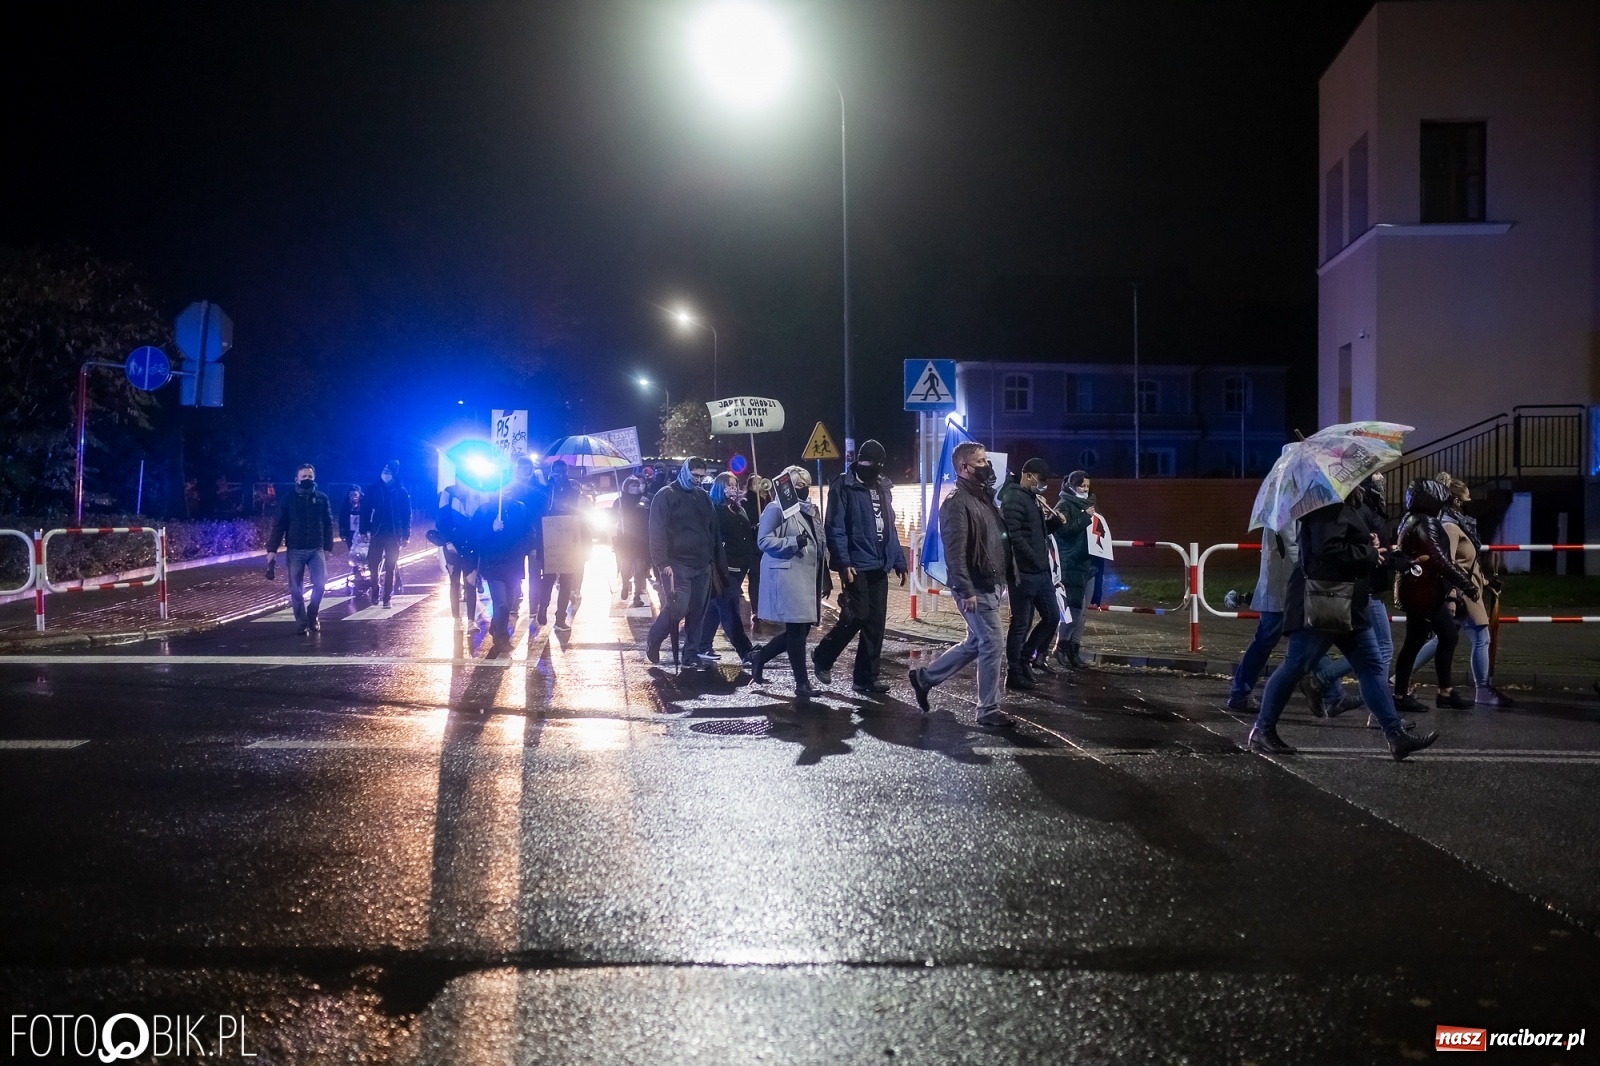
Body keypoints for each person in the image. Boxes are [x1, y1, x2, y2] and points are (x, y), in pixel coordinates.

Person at [1246, 487, 1440, 761]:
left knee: (1371, 665)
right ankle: (1262, 730)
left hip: (1344, 604)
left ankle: (1395, 735)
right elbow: (1328, 549)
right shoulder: (1327, 503)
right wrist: (1368, 552)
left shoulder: (1335, 503)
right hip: (1322, 603)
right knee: (1296, 665)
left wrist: (1371, 546)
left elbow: (1339, 544)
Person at [907, 442, 1015, 727]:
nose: (986, 466)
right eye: (980, 462)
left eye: (986, 460)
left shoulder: (983, 498)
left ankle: (925, 678)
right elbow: (954, 553)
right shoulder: (956, 503)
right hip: (975, 586)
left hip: (991, 583)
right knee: (992, 643)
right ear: (964, 468)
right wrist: (965, 590)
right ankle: (988, 709)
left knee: (976, 642)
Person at [814, 440, 907, 695]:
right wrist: (844, 562)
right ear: (859, 461)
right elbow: (835, 527)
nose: (872, 468)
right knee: (857, 615)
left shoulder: (883, 487)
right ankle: (823, 655)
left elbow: (889, 527)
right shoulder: (843, 486)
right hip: (856, 565)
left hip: (880, 563)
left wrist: (898, 560)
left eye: (876, 464)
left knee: (875, 623)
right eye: (868, 463)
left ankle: (866, 678)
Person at [1392, 477, 1479, 711]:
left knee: (1444, 637)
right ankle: (1402, 695)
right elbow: (1440, 559)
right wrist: (1466, 585)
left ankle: (1443, 692)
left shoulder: (1411, 519)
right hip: (1423, 592)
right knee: (1418, 642)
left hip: (1421, 590)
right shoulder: (1425, 522)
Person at [749, 465, 826, 696]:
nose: (805, 489)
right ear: (789, 486)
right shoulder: (776, 508)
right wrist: (792, 542)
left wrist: (825, 577)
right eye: (799, 485)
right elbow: (763, 541)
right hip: (788, 575)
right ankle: (802, 683)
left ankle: (761, 656)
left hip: (808, 576)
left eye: (807, 484)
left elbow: (819, 543)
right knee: (796, 630)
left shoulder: (810, 510)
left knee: (801, 630)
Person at [645, 457, 723, 665]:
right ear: (686, 472)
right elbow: (656, 531)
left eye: (701, 476)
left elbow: (712, 529)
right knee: (678, 608)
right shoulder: (666, 495)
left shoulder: (702, 496)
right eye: (695, 475)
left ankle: (690, 654)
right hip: (677, 564)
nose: (698, 480)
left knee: (698, 612)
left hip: (703, 564)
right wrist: (662, 563)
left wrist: (714, 559)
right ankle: (654, 638)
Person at [1000, 457, 1065, 690]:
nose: (1044, 483)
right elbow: (1014, 536)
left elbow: (1038, 532)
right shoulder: (1013, 498)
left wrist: (1055, 524)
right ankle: (1014, 672)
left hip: (1041, 572)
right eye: (1041, 478)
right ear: (1028, 476)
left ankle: (1026, 658)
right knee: (1021, 624)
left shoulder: (1032, 498)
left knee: (1052, 617)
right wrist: (1035, 559)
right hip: (1023, 574)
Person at [266, 463, 336, 636]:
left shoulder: (322, 498)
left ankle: (313, 613)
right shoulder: (288, 499)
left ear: (314, 478)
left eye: (310, 476)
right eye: (303, 476)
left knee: (320, 583)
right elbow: (279, 525)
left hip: (316, 549)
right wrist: (272, 549)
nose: (307, 479)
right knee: (295, 588)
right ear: (296, 479)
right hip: (295, 549)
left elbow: (328, 524)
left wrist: (328, 547)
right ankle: (301, 621)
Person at [698, 472, 757, 665]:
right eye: (729, 485)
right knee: (730, 609)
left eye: (735, 485)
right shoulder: (714, 510)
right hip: (724, 570)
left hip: (740, 568)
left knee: (715, 609)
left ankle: (702, 646)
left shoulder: (739, 509)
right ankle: (745, 651)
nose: (733, 488)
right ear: (719, 487)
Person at [471, 491, 532, 658]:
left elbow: (528, 532)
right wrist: (491, 529)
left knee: (510, 603)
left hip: (514, 565)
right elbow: (474, 536)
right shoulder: (485, 510)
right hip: (493, 565)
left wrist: (526, 549)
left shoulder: (520, 509)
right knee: (501, 604)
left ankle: (496, 626)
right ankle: (501, 637)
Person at [1051, 470, 1097, 669]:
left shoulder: (1090, 504)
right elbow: (1063, 531)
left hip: (1088, 563)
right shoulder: (1064, 505)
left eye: (1087, 486)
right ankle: (1060, 646)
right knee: (1072, 610)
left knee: (1082, 611)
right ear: (1071, 486)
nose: (1085, 489)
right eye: (1081, 486)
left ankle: (1073, 650)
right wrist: (1085, 517)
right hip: (1071, 564)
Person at [536, 458, 586, 631]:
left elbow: (580, 515)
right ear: (552, 472)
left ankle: (560, 618)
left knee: (567, 580)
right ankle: (543, 606)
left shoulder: (573, 491)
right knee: (548, 578)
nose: (561, 475)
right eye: (557, 472)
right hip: (550, 539)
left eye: (564, 472)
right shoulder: (545, 490)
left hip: (569, 540)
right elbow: (539, 513)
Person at [360, 460, 410, 608]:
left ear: (394, 474)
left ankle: (387, 596)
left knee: (390, 566)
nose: (385, 474)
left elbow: (406, 515)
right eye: (384, 471)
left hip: (394, 533)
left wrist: (406, 534)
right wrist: (363, 530)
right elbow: (365, 510)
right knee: (373, 563)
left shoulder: (401, 491)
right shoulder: (373, 489)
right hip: (377, 532)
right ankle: (375, 588)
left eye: (388, 472)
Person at [435, 477, 480, 630]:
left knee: (471, 582)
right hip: (452, 546)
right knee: (454, 582)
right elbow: (441, 520)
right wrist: (448, 541)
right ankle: (456, 619)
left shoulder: (476, 493)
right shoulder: (448, 493)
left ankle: (471, 621)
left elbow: (480, 518)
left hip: (471, 545)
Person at [614, 475, 650, 607]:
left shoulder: (644, 500)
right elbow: (612, 519)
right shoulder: (619, 501)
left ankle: (637, 595)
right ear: (626, 487)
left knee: (639, 568)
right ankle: (625, 585)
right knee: (626, 566)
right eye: (632, 485)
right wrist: (617, 513)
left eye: (637, 485)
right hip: (625, 539)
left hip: (640, 539)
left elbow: (649, 517)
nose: (635, 487)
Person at [742, 474, 774, 625]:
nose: (759, 485)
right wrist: (755, 526)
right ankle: (756, 609)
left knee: (768, 578)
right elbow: (746, 522)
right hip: (753, 546)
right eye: (755, 483)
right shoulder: (746, 502)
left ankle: (767, 607)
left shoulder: (768, 501)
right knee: (755, 578)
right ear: (749, 486)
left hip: (768, 546)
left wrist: (766, 498)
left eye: (761, 482)